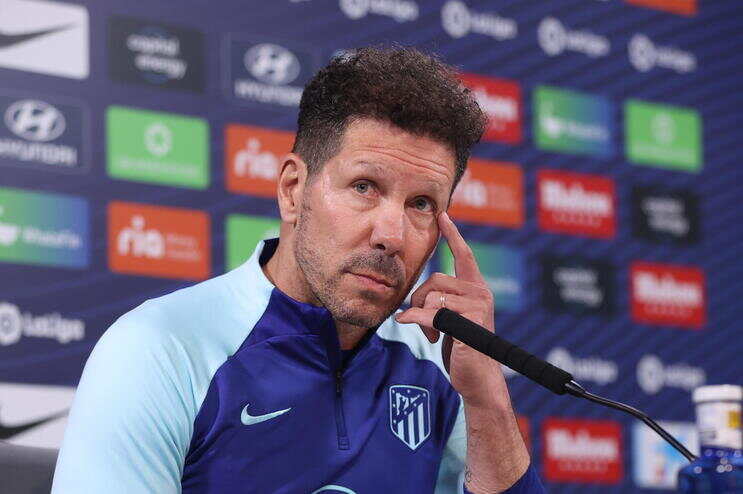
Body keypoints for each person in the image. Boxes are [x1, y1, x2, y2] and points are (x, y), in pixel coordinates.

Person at [52, 46, 545, 493]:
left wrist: (486, 398)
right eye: (364, 187)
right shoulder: (160, 347)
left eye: (421, 204)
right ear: (293, 190)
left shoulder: (440, 363)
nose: (391, 235)